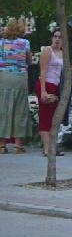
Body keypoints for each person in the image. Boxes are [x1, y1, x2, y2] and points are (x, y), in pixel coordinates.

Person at [0, 18, 34, 154]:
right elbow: (29, 61)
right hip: (20, 78)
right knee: (20, 110)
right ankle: (18, 145)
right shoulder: (24, 43)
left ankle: (1, 145)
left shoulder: (1, 43)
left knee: (3, 108)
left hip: (3, 77)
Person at [37, 28, 66, 156]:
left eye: (60, 37)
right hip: (46, 84)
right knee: (45, 115)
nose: (57, 39)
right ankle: (47, 148)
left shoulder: (63, 53)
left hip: (56, 85)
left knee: (54, 117)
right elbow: (42, 72)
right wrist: (43, 91)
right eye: (55, 36)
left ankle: (53, 145)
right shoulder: (47, 51)